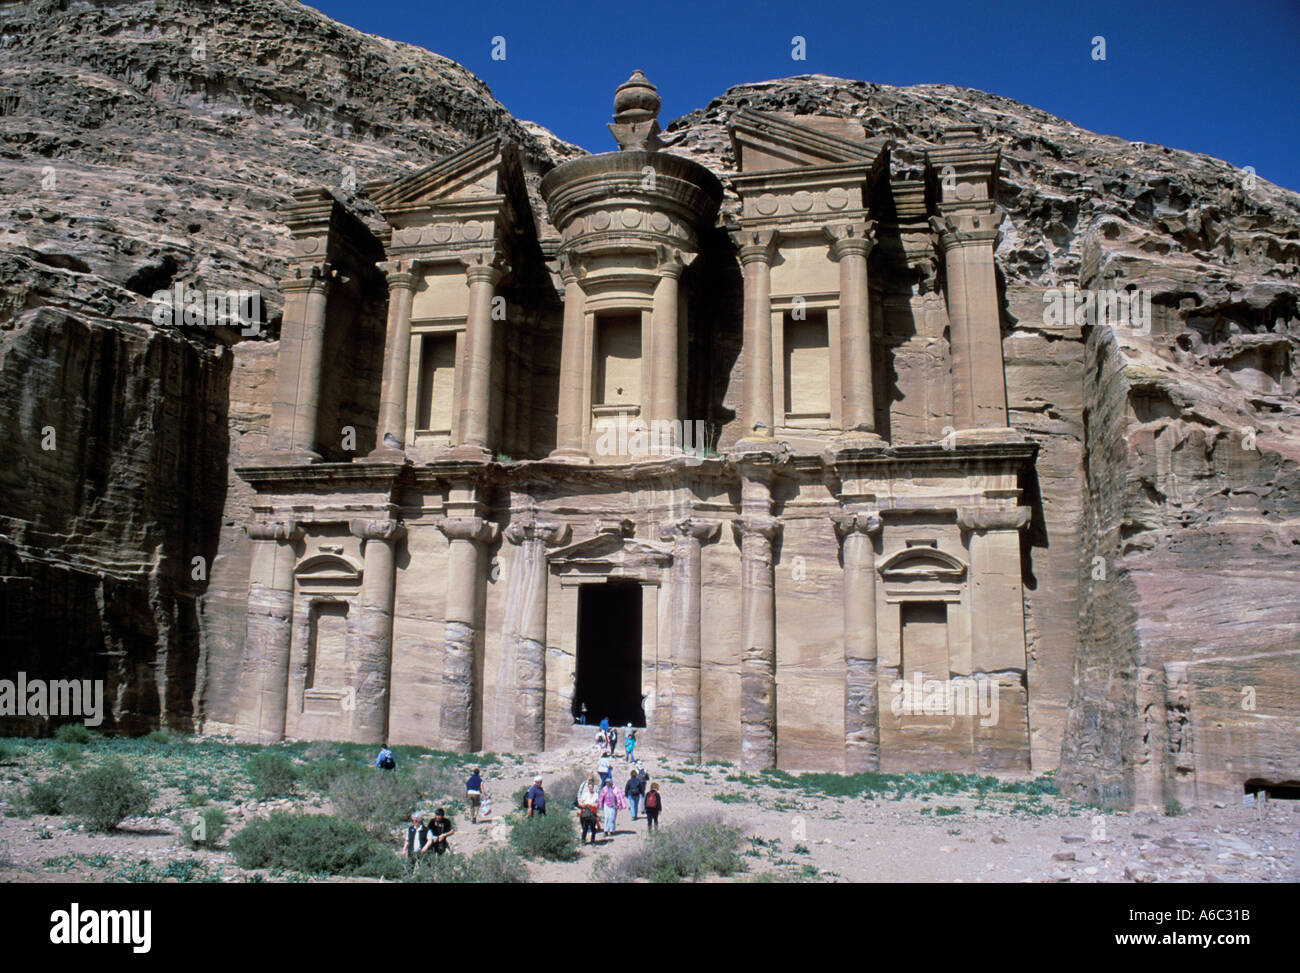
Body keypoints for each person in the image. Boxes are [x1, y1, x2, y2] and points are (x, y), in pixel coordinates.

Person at [577, 775, 601, 845]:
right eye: (589, 787)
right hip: (586, 812)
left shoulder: (596, 795)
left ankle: (592, 841)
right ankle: (583, 841)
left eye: (592, 787)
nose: (591, 788)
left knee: (593, 828)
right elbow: (581, 803)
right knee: (585, 827)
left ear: (593, 788)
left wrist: (596, 806)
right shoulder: (585, 794)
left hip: (592, 812)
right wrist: (584, 805)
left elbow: (598, 803)